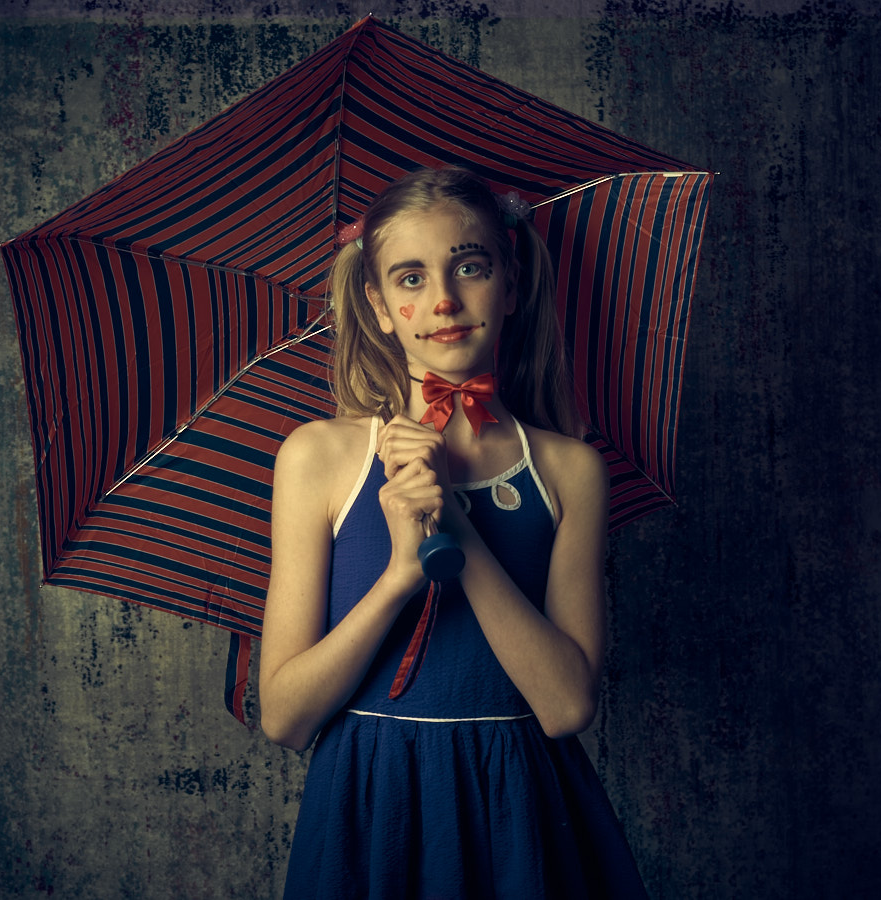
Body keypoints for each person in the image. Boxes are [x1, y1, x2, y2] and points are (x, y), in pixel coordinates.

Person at [259, 167, 647, 898]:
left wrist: (459, 536)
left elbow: (567, 707)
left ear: (511, 281)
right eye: (409, 278)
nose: (441, 300)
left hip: (521, 806)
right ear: (377, 306)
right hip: (374, 802)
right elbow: (283, 716)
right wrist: (403, 572)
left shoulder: (569, 470)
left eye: (468, 267)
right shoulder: (318, 457)